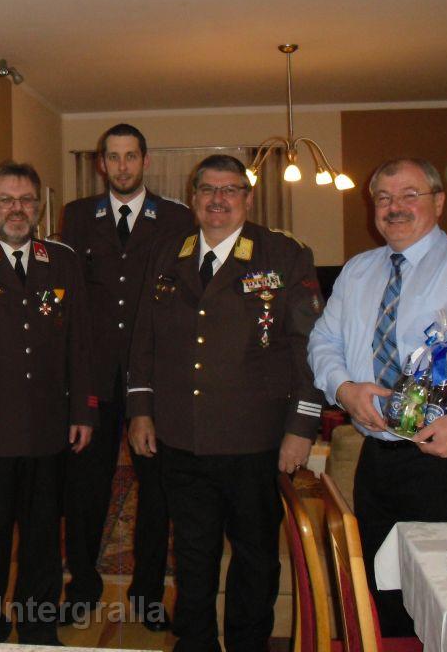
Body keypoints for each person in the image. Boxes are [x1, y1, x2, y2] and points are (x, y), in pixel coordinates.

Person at [308, 157, 447, 636]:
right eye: (384, 198)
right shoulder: (357, 271)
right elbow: (323, 341)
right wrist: (345, 389)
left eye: (410, 195)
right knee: (380, 586)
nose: (395, 207)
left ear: (438, 201)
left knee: (439, 593)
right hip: (379, 452)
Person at [127, 154, 323, 652]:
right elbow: (144, 337)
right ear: (193, 197)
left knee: (255, 556)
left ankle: (247, 645)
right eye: (208, 190)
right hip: (181, 434)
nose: (218, 199)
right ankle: (195, 643)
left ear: (248, 198)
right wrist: (140, 410)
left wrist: (301, 427)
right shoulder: (168, 252)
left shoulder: (282, 254)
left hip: (255, 440)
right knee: (193, 554)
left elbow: (309, 346)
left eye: (230, 189)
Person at [0, 160, 97, 645]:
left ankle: (37, 625)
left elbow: (80, 342)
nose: (16, 209)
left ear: (38, 208)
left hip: (49, 428)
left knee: (43, 537)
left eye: (26, 200)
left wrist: (84, 410)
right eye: (5, 200)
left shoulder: (62, 262)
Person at [59, 123, 191, 629]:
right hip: (93, 379)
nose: (121, 166)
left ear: (145, 161)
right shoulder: (77, 216)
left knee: (157, 493)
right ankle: (82, 585)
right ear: (101, 164)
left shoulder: (176, 218)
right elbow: (69, 296)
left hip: (152, 380)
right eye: (112, 157)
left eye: (130, 156)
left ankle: (148, 593)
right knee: (85, 491)